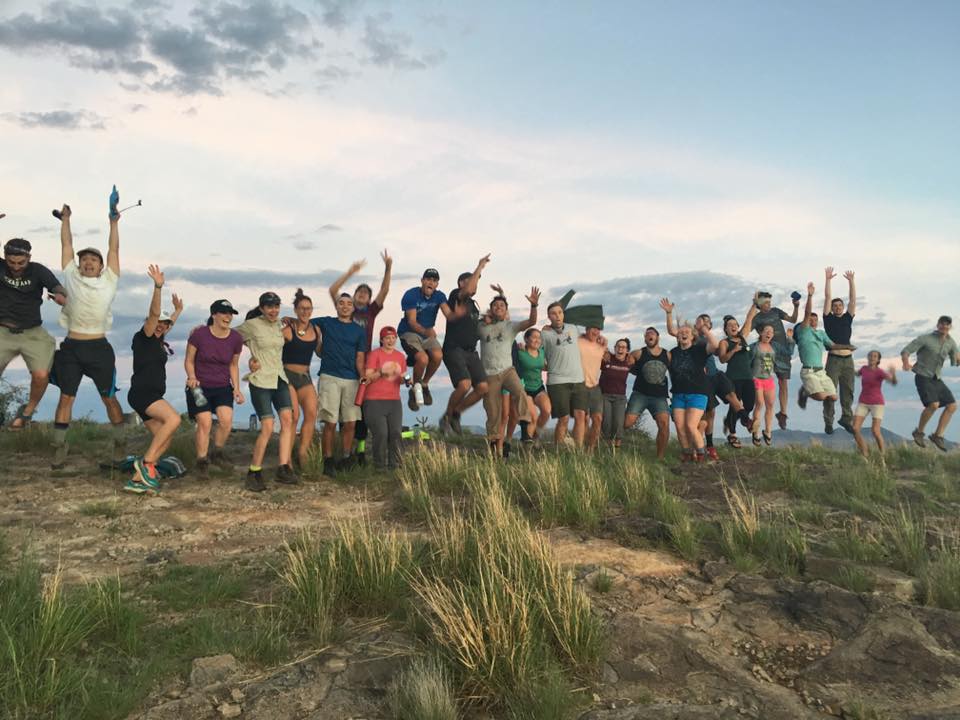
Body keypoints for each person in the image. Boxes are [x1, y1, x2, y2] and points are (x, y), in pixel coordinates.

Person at [50, 201, 124, 468]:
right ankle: (59, 447)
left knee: (108, 397)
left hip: (99, 348)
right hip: (71, 348)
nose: (88, 262)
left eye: (94, 259)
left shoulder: (110, 280)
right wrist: (66, 220)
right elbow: (66, 247)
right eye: (84, 260)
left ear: (102, 266)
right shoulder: (70, 276)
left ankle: (119, 443)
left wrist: (114, 223)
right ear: (78, 265)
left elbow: (114, 249)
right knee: (66, 397)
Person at [329, 251, 392, 464]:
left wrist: (388, 267)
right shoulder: (346, 309)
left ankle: (361, 450)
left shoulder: (371, 312)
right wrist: (351, 272)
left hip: (363, 363)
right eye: (360, 291)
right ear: (354, 296)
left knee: (361, 407)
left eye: (366, 292)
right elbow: (333, 290)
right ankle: (343, 448)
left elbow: (384, 291)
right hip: (342, 362)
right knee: (342, 409)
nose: (363, 294)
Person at [125, 264, 183, 494]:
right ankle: (147, 464)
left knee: (164, 436)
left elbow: (166, 324)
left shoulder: (158, 339)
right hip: (143, 393)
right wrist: (158, 287)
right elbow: (154, 315)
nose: (161, 326)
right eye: (159, 323)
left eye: (165, 324)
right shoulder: (144, 337)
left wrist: (177, 312)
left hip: (150, 395)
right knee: (174, 420)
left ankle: (138, 479)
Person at [0, 237, 66, 428]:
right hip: (3, 330)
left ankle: (27, 412)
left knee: (40, 375)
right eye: (11, 262)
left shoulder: (38, 270)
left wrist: (61, 296)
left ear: (29, 257)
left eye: (21, 262)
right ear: (5, 257)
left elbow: (56, 286)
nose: (16, 266)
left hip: (32, 332)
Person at [237, 292, 297, 491]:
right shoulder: (252, 325)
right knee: (268, 426)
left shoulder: (280, 323)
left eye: (276, 306)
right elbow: (229, 337)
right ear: (261, 308)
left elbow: (299, 325)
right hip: (261, 380)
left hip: (279, 378)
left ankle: (283, 468)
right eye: (269, 306)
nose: (273, 310)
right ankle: (254, 472)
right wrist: (249, 360)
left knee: (288, 420)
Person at [185, 299, 245, 474]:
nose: (228, 317)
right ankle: (202, 462)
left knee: (226, 421)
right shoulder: (199, 335)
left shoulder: (235, 338)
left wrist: (237, 388)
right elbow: (189, 360)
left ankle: (216, 453)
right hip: (199, 386)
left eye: (230, 314)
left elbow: (233, 365)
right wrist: (192, 377)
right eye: (224, 313)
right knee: (205, 422)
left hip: (222, 386)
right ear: (214, 315)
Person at [478, 286, 538, 455]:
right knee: (493, 410)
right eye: (495, 305)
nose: (499, 308)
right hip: (489, 374)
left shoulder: (510, 326)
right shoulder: (481, 326)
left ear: (506, 311)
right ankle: (493, 445)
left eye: (502, 306)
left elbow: (531, 322)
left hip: (507, 370)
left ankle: (525, 429)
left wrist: (534, 306)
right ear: (491, 309)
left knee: (520, 391)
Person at [312, 293, 366, 475]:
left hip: (351, 379)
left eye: (349, 304)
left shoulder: (359, 331)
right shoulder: (327, 322)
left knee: (350, 422)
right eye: (341, 303)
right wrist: (317, 340)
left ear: (353, 308)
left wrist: (362, 375)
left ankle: (345, 457)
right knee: (330, 422)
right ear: (336, 306)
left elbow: (360, 358)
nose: (345, 306)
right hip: (330, 377)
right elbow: (305, 322)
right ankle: (328, 460)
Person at [438, 255, 492, 435]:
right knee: (464, 384)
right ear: (462, 282)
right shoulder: (456, 295)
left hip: (471, 351)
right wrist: (479, 266)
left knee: (483, 387)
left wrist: (486, 320)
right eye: (472, 281)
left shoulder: (473, 305)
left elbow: (474, 324)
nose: (475, 284)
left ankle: (455, 413)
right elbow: (468, 290)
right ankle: (446, 417)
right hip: (454, 349)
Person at [901, 316, 959, 451]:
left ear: (950, 327)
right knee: (933, 404)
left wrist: (957, 359)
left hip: (936, 378)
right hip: (922, 376)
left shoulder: (951, 343)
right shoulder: (926, 339)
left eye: (947, 325)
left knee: (952, 406)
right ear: (938, 325)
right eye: (942, 324)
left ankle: (937, 436)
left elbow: (955, 361)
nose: (944, 327)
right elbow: (906, 350)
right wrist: (905, 362)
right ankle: (919, 432)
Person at [668, 321, 719, 463]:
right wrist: (669, 316)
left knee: (690, 425)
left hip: (697, 393)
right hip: (678, 394)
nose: (684, 333)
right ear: (677, 337)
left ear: (692, 337)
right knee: (679, 426)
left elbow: (715, 345)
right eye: (681, 332)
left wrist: (704, 329)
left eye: (687, 332)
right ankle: (687, 453)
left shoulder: (699, 349)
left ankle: (701, 454)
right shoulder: (673, 352)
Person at [282, 288, 321, 468]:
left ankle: (302, 453)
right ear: (296, 310)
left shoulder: (316, 330)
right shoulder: (288, 329)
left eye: (309, 308)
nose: (306, 311)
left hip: (305, 377)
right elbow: (271, 346)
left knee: (312, 413)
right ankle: (286, 459)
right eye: (302, 308)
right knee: (294, 416)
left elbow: (320, 352)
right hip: (287, 375)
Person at [398, 269, 446, 411]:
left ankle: (424, 384)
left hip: (427, 334)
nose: (431, 282)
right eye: (428, 279)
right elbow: (412, 322)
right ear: (422, 280)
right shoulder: (411, 295)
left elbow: (449, 313)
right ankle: (415, 388)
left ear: (437, 284)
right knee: (423, 359)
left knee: (438, 356)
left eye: (434, 280)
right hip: (409, 333)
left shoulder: (439, 296)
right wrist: (427, 331)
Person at [541, 301, 587, 447]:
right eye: (554, 313)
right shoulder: (544, 333)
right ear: (549, 316)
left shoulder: (573, 328)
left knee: (581, 416)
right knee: (564, 418)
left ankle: (578, 452)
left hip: (578, 379)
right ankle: (559, 451)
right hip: (557, 381)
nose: (558, 316)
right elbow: (536, 354)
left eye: (560, 312)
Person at [752, 290, 800, 429]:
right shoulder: (757, 318)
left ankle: (783, 414)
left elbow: (793, 319)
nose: (768, 304)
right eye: (765, 302)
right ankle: (756, 416)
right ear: (759, 304)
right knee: (762, 379)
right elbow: (747, 328)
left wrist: (796, 306)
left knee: (783, 381)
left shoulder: (776, 311)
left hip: (782, 349)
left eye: (769, 302)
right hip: (766, 350)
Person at [362, 326, 407, 469]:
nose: (391, 340)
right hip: (374, 400)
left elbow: (401, 377)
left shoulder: (400, 357)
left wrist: (405, 380)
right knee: (381, 433)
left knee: (395, 433)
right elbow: (367, 378)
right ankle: (379, 466)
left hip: (394, 400)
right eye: (387, 338)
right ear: (381, 340)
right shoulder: (374, 355)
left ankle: (396, 466)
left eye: (393, 338)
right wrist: (381, 372)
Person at [623, 327, 671, 460]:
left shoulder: (667, 355)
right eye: (647, 334)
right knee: (627, 423)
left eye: (652, 334)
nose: (649, 336)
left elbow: (674, 372)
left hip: (659, 396)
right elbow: (628, 362)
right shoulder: (638, 353)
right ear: (645, 338)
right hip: (640, 394)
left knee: (664, 424)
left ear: (657, 337)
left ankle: (660, 457)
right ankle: (611, 441)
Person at [717, 304, 759, 449]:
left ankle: (731, 421)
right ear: (726, 329)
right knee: (736, 406)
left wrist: (755, 304)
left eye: (735, 324)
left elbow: (749, 319)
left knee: (749, 404)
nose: (733, 327)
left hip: (747, 377)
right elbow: (722, 359)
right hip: (733, 378)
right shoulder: (724, 342)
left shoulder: (742, 337)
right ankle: (732, 434)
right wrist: (734, 350)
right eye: (730, 325)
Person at [822, 267, 857, 434]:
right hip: (834, 359)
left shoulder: (847, 318)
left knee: (848, 391)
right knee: (830, 391)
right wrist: (828, 280)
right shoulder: (828, 319)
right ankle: (829, 421)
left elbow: (852, 300)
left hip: (848, 360)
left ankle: (846, 418)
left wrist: (851, 282)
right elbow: (827, 297)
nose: (837, 307)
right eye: (835, 306)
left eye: (839, 305)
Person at [794, 282, 838, 411]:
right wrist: (810, 296)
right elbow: (807, 313)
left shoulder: (821, 333)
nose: (813, 321)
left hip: (821, 371)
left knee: (834, 397)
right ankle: (805, 392)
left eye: (815, 319)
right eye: (810, 320)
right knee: (822, 397)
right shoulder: (803, 331)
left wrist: (848, 347)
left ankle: (808, 388)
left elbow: (833, 345)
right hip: (809, 371)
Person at [853, 351, 896, 458]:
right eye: (870, 356)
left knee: (875, 431)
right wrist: (847, 366)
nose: (872, 357)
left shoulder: (880, 372)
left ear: (878, 360)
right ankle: (864, 452)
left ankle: (883, 455)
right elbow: (856, 374)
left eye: (875, 356)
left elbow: (893, 382)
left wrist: (893, 373)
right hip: (863, 402)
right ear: (868, 357)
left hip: (877, 403)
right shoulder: (863, 369)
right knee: (855, 428)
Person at [516, 328, 551, 442]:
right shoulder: (520, 352)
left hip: (538, 387)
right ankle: (526, 449)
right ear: (526, 339)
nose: (537, 340)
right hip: (524, 389)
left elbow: (543, 366)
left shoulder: (541, 351)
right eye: (534, 337)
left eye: (539, 338)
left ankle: (535, 437)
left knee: (546, 411)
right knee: (533, 418)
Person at [749, 324, 781, 446]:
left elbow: (785, 354)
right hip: (756, 378)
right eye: (766, 331)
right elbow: (748, 360)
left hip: (768, 379)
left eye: (771, 332)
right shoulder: (755, 347)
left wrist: (790, 341)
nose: (769, 333)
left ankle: (768, 431)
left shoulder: (774, 348)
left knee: (771, 405)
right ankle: (755, 432)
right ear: (761, 333)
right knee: (760, 403)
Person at [579, 325, 608, 450]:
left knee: (598, 419)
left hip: (595, 387)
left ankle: (590, 449)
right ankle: (581, 448)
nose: (595, 331)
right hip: (580, 386)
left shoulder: (601, 346)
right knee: (584, 419)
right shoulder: (578, 341)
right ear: (586, 329)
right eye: (592, 328)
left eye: (598, 329)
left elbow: (608, 357)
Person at [599, 338, 632, 449]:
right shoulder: (607, 358)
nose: (620, 349)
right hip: (605, 395)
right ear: (615, 348)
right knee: (606, 422)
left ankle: (616, 450)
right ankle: (607, 448)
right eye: (618, 346)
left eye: (623, 347)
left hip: (620, 397)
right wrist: (604, 348)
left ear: (627, 350)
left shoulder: (629, 362)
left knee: (618, 423)